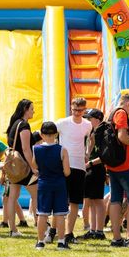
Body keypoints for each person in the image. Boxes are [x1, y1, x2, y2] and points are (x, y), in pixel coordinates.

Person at [106, 93, 129, 248]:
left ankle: (117, 238)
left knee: (115, 199)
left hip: (113, 165)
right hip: (125, 165)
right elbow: (122, 136)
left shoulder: (110, 114)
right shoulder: (121, 113)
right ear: (127, 103)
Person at [53, 97, 92, 244]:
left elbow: (91, 138)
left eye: (80, 110)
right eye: (74, 109)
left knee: (75, 201)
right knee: (60, 200)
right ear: (71, 108)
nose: (76, 113)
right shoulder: (62, 123)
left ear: (84, 110)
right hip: (64, 166)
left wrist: (87, 152)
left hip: (79, 166)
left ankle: (69, 233)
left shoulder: (87, 124)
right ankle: (53, 230)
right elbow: (47, 133)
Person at [31, 121, 71, 250]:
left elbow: (34, 166)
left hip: (44, 183)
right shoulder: (62, 149)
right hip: (59, 183)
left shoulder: (36, 149)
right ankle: (61, 242)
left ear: (41, 135)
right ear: (56, 134)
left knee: (42, 214)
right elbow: (67, 172)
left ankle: (40, 242)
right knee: (60, 214)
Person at [6, 99, 39, 237]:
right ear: (25, 109)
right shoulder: (24, 125)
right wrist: (33, 167)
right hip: (24, 167)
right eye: (31, 109)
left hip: (15, 167)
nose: (33, 111)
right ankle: (41, 225)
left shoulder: (14, 123)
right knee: (37, 196)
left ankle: (12, 229)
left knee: (12, 197)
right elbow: (26, 149)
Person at [81, 108, 107, 240]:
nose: (87, 121)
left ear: (97, 119)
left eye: (89, 118)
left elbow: (104, 156)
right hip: (90, 168)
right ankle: (93, 229)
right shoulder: (92, 132)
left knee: (98, 201)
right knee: (91, 201)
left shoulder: (103, 132)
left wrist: (89, 163)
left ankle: (99, 231)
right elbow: (90, 151)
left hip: (97, 169)